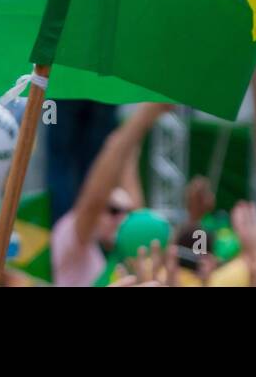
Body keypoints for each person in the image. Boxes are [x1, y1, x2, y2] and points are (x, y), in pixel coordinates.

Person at [50, 102, 170, 287]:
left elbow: (134, 205)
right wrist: (145, 114)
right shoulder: (73, 243)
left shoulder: (132, 253)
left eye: (126, 212)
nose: (122, 218)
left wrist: (128, 151)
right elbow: (95, 199)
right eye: (113, 211)